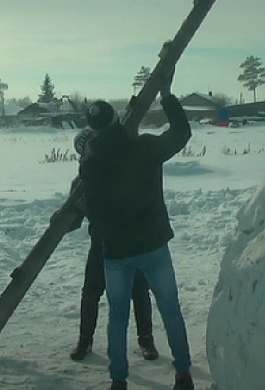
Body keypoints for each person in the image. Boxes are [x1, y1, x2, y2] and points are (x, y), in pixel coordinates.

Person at [79, 93, 194, 390]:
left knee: (117, 318)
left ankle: (119, 380)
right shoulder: (144, 147)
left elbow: (92, 209)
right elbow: (181, 133)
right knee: (170, 308)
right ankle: (183, 374)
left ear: (94, 128)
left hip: (116, 253)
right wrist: (167, 98)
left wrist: (107, 240)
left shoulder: (91, 162)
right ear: (117, 120)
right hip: (154, 246)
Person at [67, 128, 159, 362]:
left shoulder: (124, 169)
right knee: (90, 292)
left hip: (130, 241)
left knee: (139, 291)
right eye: (84, 150)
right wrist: (64, 217)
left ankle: (146, 340)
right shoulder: (82, 180)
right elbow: (74, 215)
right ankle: (85, 341)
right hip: (101, 244)